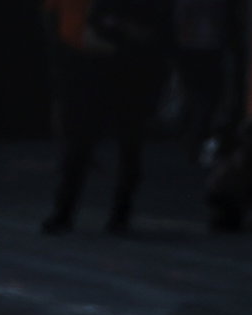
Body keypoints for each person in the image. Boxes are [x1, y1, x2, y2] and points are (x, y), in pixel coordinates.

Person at [41, 0, 174, 234]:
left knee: (108, 148)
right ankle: (80, 212)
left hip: (121, 78)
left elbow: (156, 35)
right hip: (109, 78)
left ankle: (83, 212)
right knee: (91, 148)